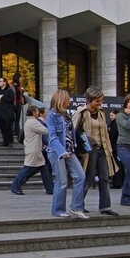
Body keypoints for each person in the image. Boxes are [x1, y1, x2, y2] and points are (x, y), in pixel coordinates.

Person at [71, 87, 119, 216]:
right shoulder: (81, 112)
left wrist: (109, 148)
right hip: (88, 150)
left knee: (104, 178)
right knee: (88, 178)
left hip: (102, 148)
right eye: (97, 101)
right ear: (89, 100)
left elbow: (104, 131)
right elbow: (73, 132)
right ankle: (78, 205)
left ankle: (105, 206)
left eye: (101, 100)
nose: (100, 103)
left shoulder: (101, 112)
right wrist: (79, 149)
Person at [46, 89, 89, 218]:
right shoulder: (51, 116)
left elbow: (70, 134)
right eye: (67, 99)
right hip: (57, 152)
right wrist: (61, 151)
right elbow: (52, 137)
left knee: (80, 176)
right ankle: (58, 210)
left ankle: (76, 207)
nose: (69, 101)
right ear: (61, 100)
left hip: (70, 150)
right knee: (62, 181)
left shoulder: (66, 115)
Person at [10, 105, 54, 195]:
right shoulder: (33, 122)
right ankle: (15, 186)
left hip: (36, 149)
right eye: (37, 111)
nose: (38, 113)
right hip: (33, 150)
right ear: (33, 113)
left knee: (44, 169)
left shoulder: (31, 121)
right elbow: (46, 131)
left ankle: (50, 189)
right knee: (27, 168)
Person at [0, 77, 15, 147]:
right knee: (2, 128)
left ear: (5, 82)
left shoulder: (9, 91)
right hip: (1, 112)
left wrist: (2, 98)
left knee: (8, 127)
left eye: (0, 81)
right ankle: (5, 141)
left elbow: (11, 100)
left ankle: (10, 141)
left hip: (8, 112)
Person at [108, 109, 125, 189]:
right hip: (120, 146)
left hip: (115, 147)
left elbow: (112, 135)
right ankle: (121, 181)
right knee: (120, 165)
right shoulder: (121, 123)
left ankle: (117, 182)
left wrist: (109, 145)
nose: (110, 117)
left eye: (112, 115)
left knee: (117, 165)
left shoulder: (115, 123)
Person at [11, 73, 25, 138]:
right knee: (12, 118)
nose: (21, 79)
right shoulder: (11, 85)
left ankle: (17, 131)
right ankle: (12, 131)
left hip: (18, 104)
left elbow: (21, 95)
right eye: (20, 78)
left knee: (18, 118)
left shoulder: (20, 86)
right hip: (12, 104)